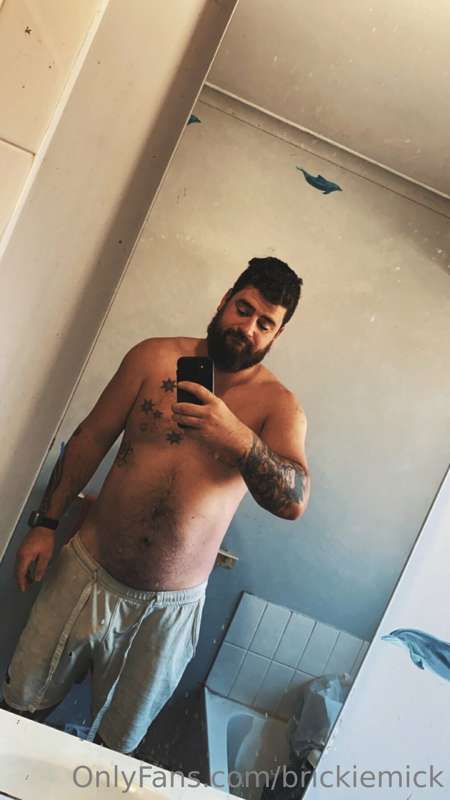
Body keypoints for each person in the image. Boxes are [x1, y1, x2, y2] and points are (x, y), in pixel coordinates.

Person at [1, 256, 310, 754]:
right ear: (224, 301)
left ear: (277, 335)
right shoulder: (153, 357)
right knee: (19, 708)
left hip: (168, 611)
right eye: (243, 309)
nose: (248, 328)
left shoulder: (278, 407)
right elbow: (90, 438)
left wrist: (238, 438)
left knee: (114, 749)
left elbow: (294, 501)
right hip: (86, 572)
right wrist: (45, 524)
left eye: (265, 323)